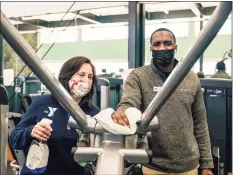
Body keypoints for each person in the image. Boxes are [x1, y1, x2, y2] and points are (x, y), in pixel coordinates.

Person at [112, 28, 214, 175]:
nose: (162, 48)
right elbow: (129, 101)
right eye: (157, 44)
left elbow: (200, 123)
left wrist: (206, 164)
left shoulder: (191, 78)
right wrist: (123, 111)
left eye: (167, 44)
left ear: (175, 47)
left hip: (188, 166)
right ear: (151, 48)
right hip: (152, 165)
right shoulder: (138, 76)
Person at [9, 56, 100, 175]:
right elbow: (14, 139)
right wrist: (31, 131)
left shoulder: (94, 113)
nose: (86, 80)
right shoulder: (42, 103)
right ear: (67, 76)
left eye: (90, 77)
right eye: (81, 74)